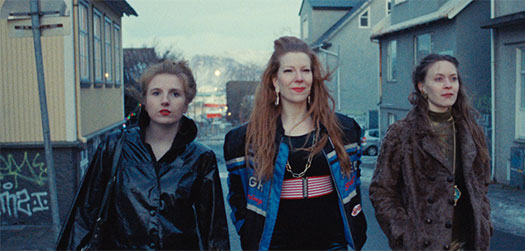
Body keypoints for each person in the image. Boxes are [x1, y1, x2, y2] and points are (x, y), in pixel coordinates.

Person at [56, 60, 230, 250]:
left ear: (187, 103)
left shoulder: (200, 158)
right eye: (156, 93)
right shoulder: (115, 146)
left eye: (175, 93)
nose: (165, 100)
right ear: (145, 101)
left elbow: (214, 231)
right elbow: (85, 214)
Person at [224, 36, 367, 250]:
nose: (299, 78)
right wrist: (249, 233)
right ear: (275, 80)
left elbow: (353, 188)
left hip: (331, 245)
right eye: (289, 71)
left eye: (305, 70)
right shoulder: (246, 139)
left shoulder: (343, 131)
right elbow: (238, 198)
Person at [369, 54, 492, 250]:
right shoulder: (403, 133)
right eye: (438, 79)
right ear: (422, 87)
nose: (448, 85)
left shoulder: (470, 130)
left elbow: (481, 184)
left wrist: (484, 223)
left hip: (468, 243)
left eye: (453, 78)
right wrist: (404, 234)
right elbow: (381, 190)